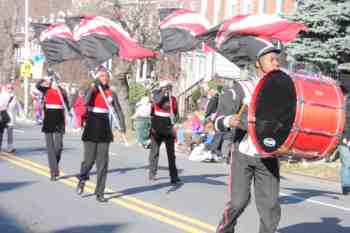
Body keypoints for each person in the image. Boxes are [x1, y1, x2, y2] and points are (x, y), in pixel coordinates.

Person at [215, 38, 282, 233]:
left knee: (270, 208)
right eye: (272, 59)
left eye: (277, 60)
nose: (276, 63)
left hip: (268, 155)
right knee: (239, 202)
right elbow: (216, 119)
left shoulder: (283, 90)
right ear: (258, 63)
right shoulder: (241, 88)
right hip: (243, 153)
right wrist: (229, 121)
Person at [76, 68, 126, 203]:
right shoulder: (92, 89)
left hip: (104, 126)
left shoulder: (111, 93)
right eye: (102, 76)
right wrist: (94, 87)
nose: (104, 78)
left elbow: (118, 110)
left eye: (106, 76)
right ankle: (82, 179)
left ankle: (100, 192)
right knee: (89, 160)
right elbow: (85, 102)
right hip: (92, 124)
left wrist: (122, 126)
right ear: (98, 78)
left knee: (103, 162)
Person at [36, 70, 70, 181]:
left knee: (59, 147)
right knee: (50, 148)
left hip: (59, 119)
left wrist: (69, 114)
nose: (53, 82)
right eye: (52, 80)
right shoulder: (46, 89)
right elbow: (37, 85)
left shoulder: (62, 91)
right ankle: (53, 172)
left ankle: (54, 166)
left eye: (55, 80)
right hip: (49, 119)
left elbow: (67, 105)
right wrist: (45, 80)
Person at [149, 80, 181, 185]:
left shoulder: (173, 99)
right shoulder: (156, 96)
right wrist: (163, 91)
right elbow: (156, 103)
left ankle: (174, 176)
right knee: (154, 151)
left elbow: (176, 114)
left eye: (170, 87)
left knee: (171, 154)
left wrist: (175, 118)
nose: (169, 89)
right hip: (157, 125)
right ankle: (152, 173)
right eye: (167, 87)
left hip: (168, 126)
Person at [0, 83, 23, 152]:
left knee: (10, 133)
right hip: (2, 116)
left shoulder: (14, 97)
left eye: (11, 88)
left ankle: (10, 147)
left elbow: (18, 106)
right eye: (8, 88)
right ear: (6, 88)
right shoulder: (2, 96)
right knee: (1, 132)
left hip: (10, 117)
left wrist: (21, 114)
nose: (10, 89)